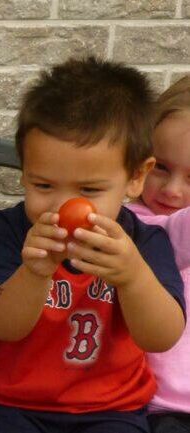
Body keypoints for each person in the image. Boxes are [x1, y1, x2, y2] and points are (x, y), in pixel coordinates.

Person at [0, 56, 186, 433]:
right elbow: (3, 326)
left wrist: (133, 277)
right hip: (16, 404)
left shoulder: (143, 242)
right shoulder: (9, 230)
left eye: (89, 189)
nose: (64, 205)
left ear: (135, 178)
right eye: (43, 185)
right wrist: (34, 272)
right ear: (24, 173)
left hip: (112, 409)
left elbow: (161, 337)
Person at [126, 76, 190, 433]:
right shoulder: (132, 224)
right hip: (158, 406)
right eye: (161, 167)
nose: (172, 190)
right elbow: (174, 237)